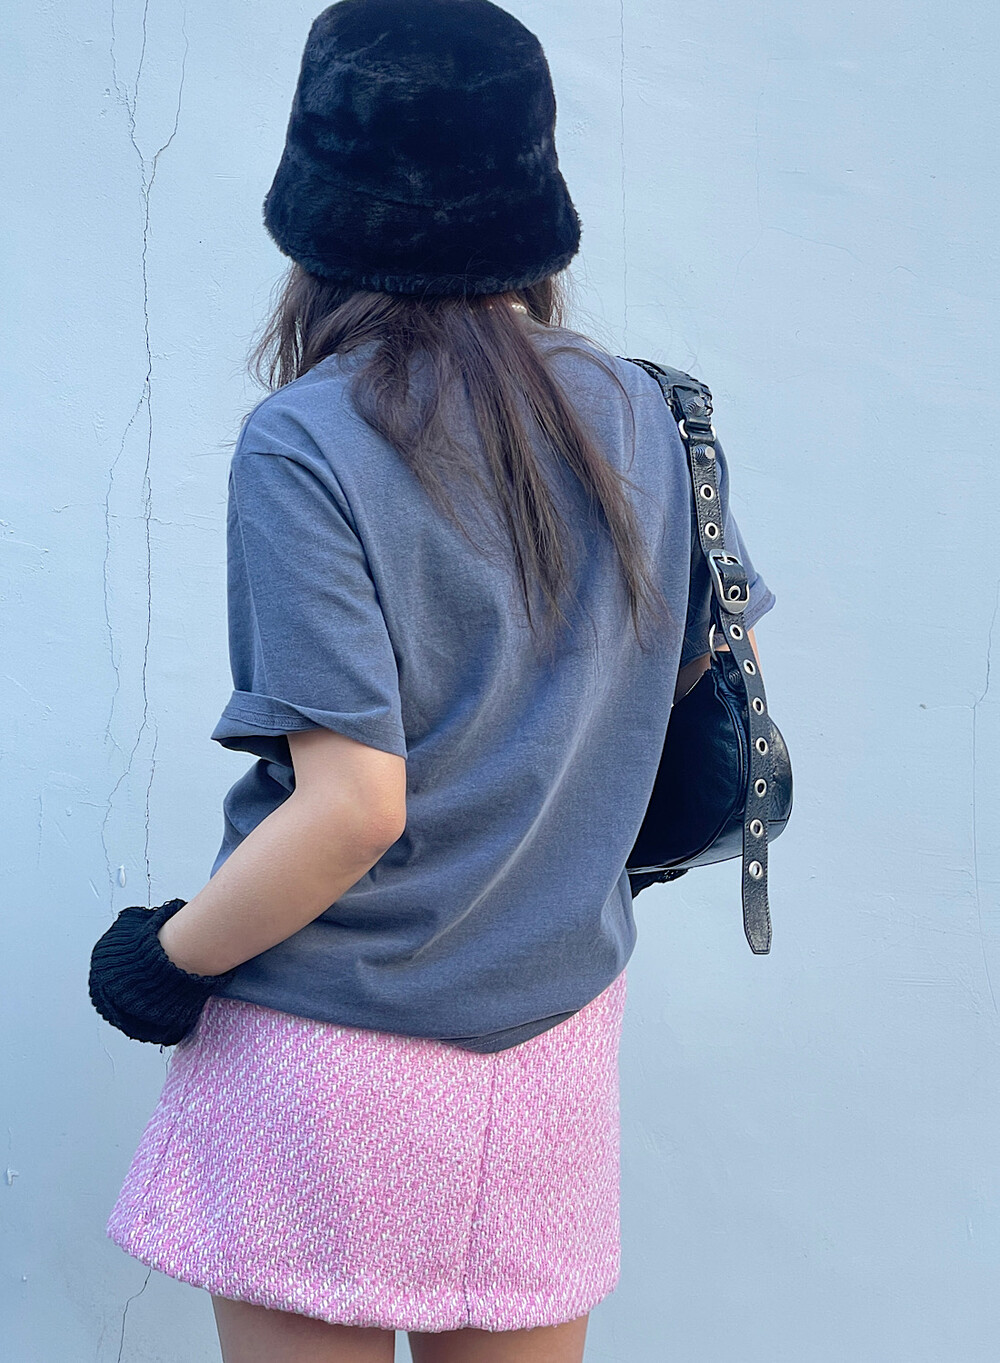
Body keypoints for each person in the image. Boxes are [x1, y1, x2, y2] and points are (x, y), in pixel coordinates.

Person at [88, 1, 776, 1359]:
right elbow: (690, 669)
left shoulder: (309, 437)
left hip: (332, 1051)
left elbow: (353, 808)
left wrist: (161, 962)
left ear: (317, 212)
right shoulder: (651, 413)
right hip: (550, 1046)